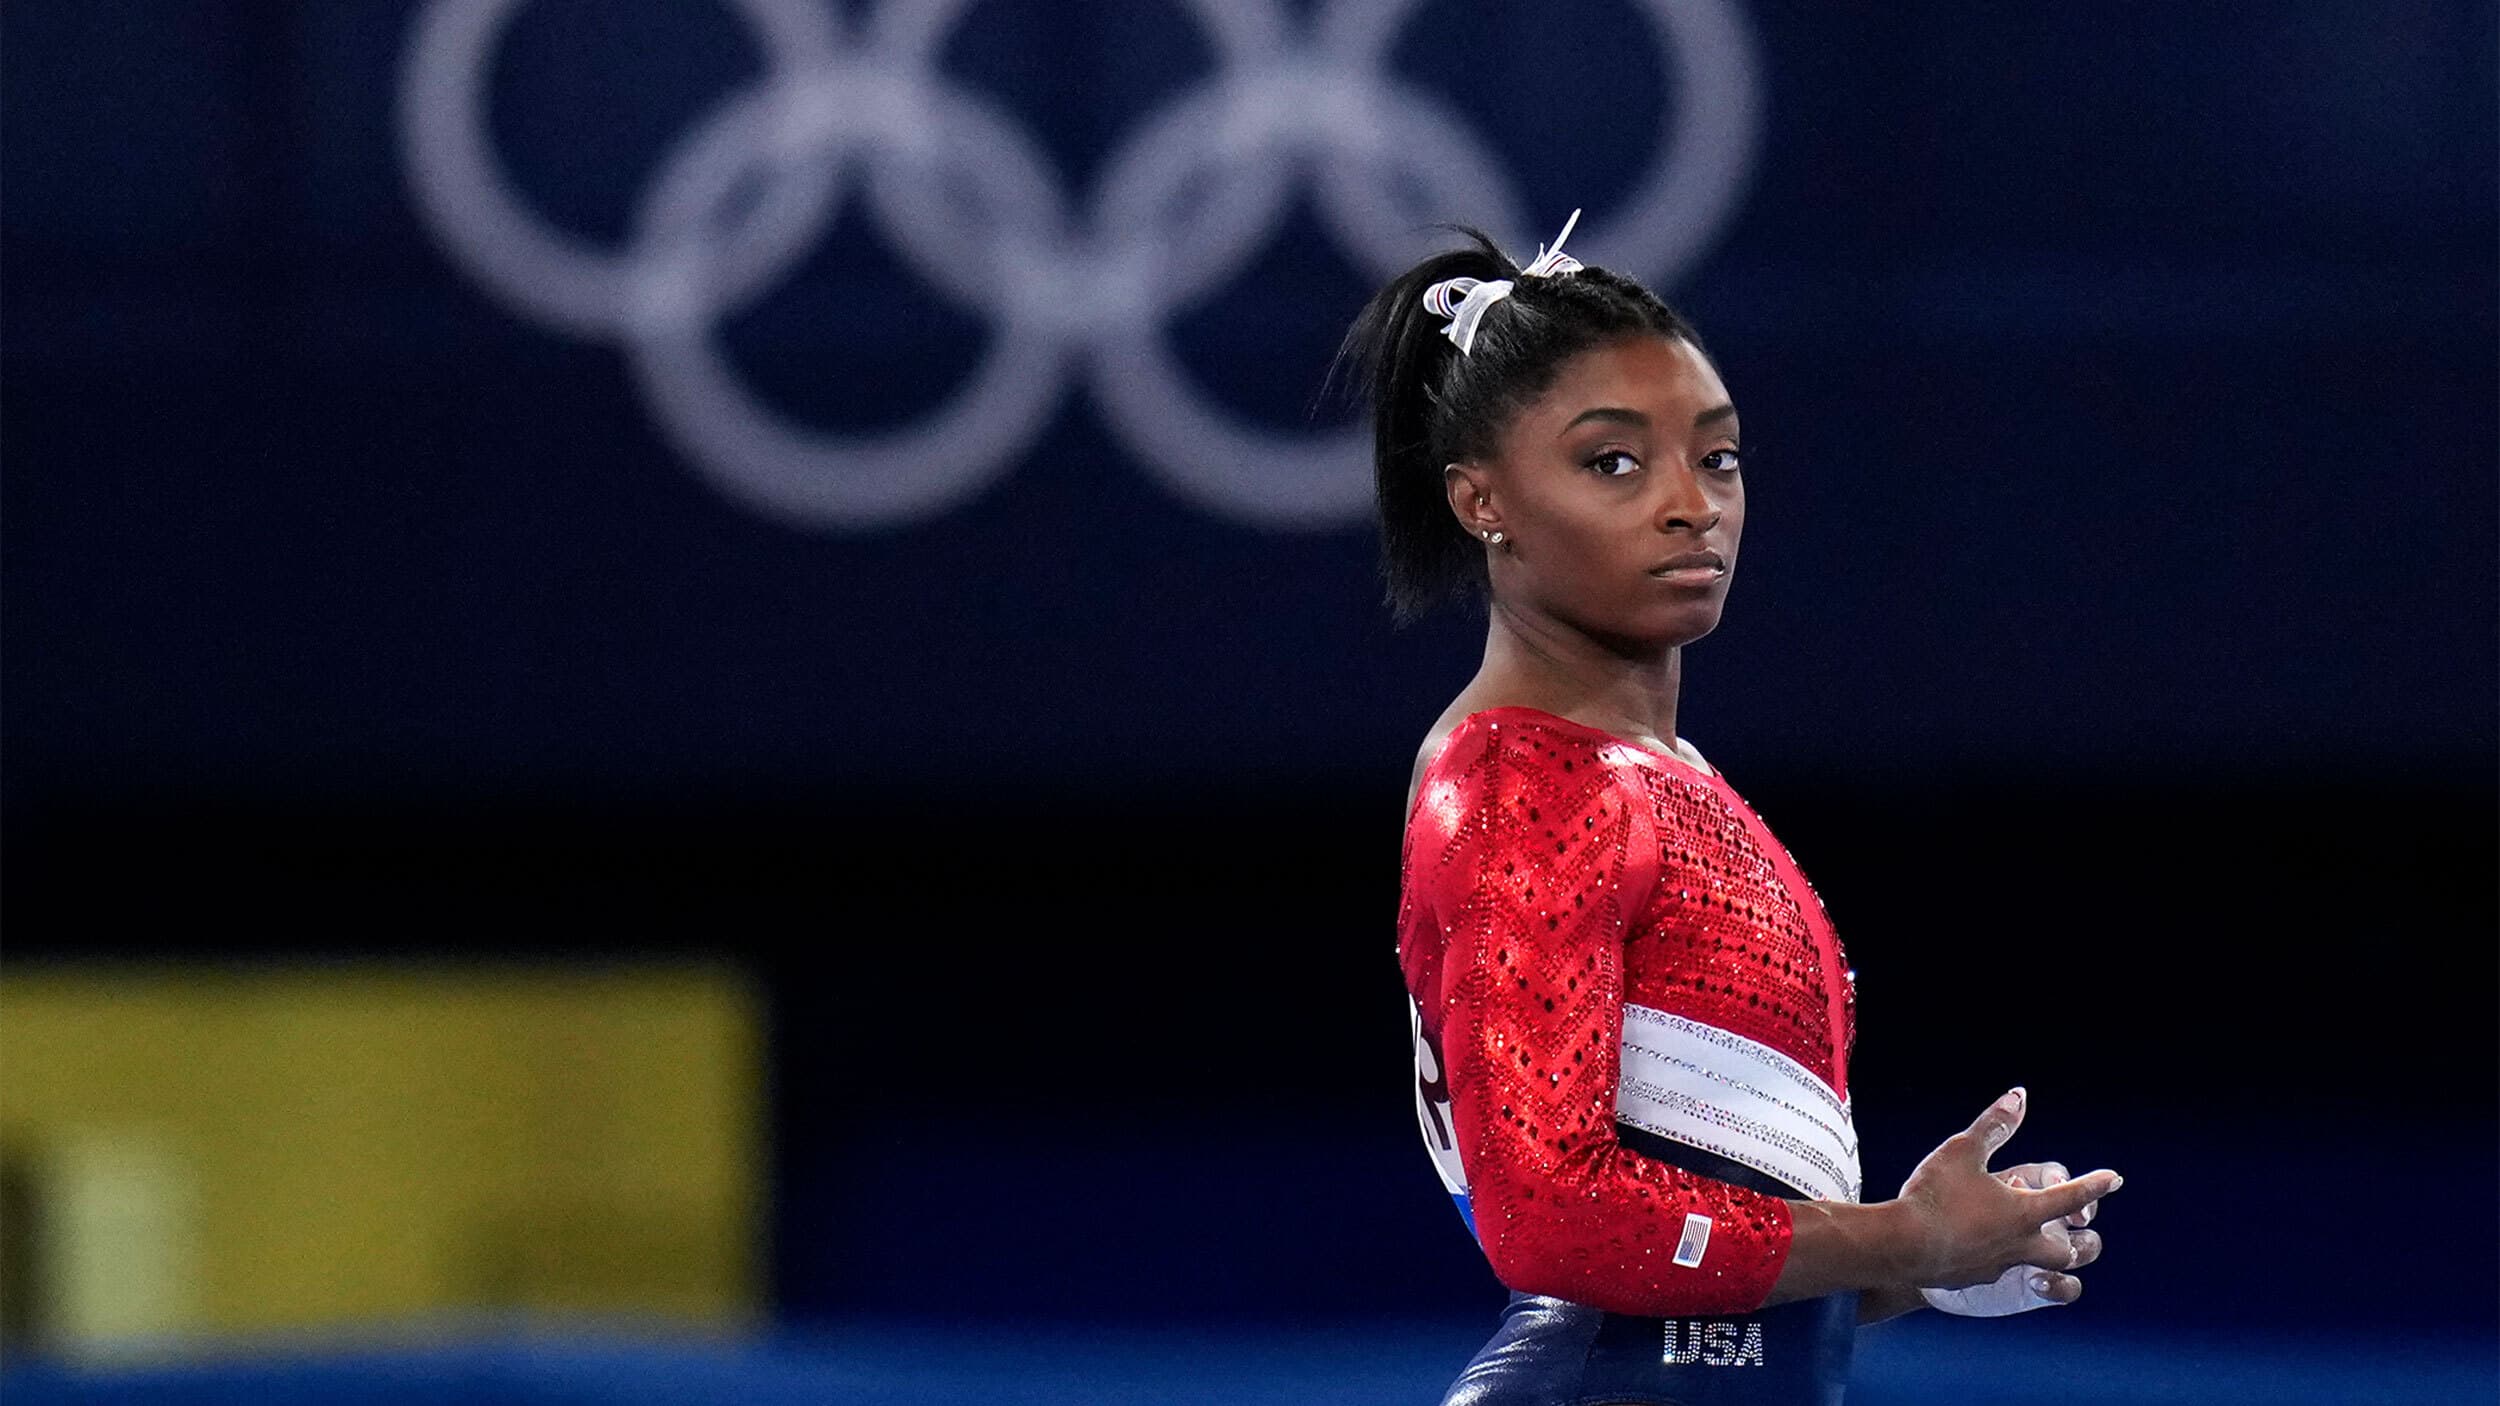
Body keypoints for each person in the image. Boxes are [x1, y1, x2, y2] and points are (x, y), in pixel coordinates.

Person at [1342, 212, 2124, 1405]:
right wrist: (1898, 1239)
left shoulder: (1662, 772)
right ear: (1478, 500)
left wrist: (1943, 1257)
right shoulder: (1522, 784)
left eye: (1716, 458)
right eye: (1612, 461)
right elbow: (1552, 1221)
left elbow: (1693, 1234)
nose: (1688, 505)